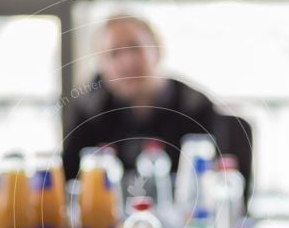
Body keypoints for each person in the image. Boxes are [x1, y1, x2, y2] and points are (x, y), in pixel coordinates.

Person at [62, 14, 251, 190]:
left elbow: (221, 184)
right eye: (114, 54)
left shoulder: (195, 106)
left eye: (135, 47)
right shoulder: (90, 111)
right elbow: (70, 183)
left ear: (158, 50)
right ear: (101, 66)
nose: (127, 62)